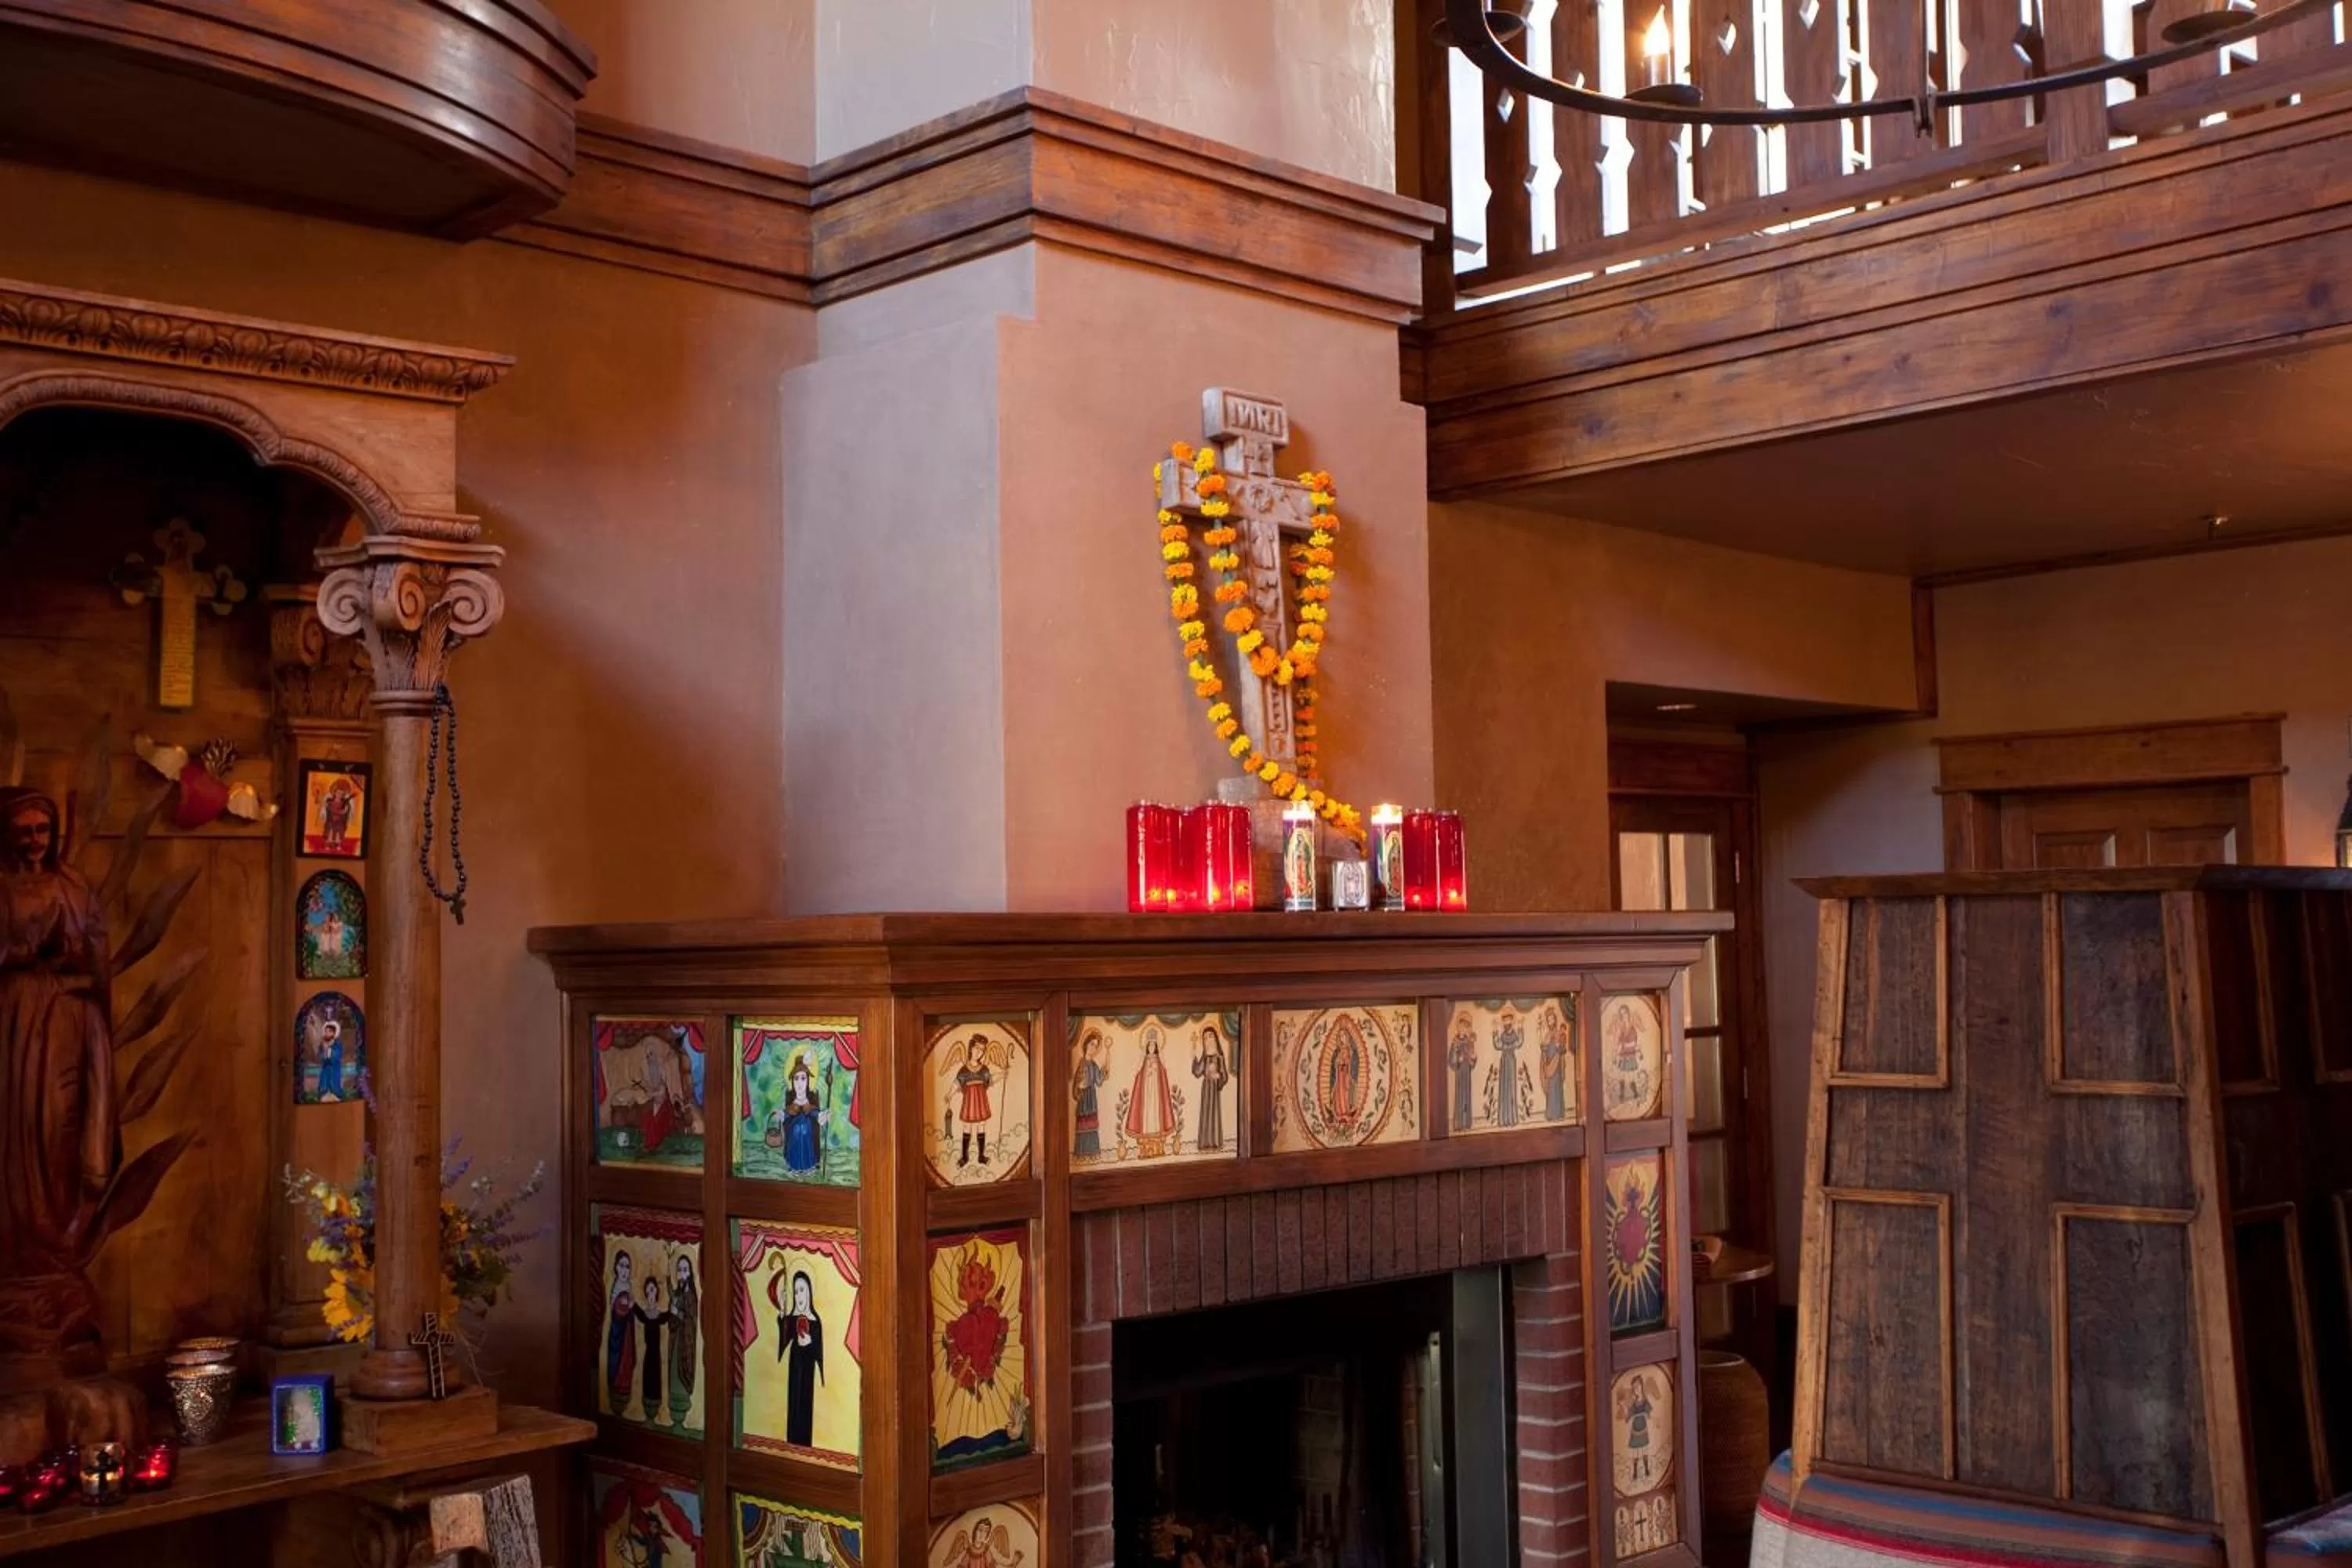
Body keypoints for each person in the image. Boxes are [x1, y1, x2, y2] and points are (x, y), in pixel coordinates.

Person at [0, 787, 118, 1370]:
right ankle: (19, 1259)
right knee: (20, 1133)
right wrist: (23, 953)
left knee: (60, 1133)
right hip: (14, 1030)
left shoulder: (74, 888)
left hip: (67, 1026)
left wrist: (72, 960)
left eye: (42, 831)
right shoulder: (2, 889)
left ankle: (55, 1253)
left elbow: (98, 962)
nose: (34, 842)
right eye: (24, 831)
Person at [775, 1268, 824, 1448]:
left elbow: (819, 1351)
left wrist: (810, 1343)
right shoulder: (793, 1318)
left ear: (809, 1292)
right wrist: (782, 1310)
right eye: (796, 1291)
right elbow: (785, 1334)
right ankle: (792, 1440)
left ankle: (804, 1442)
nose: (799, 1295)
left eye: (802, 1290)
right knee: (794, 1400)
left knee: (805, 1402)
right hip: (795, 1364)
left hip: (808, 1366)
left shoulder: (815, 1322)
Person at [1123, 1026, 1177, 1156]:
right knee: (1147, 1111)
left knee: (1156, 1110)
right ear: (1147, 1046)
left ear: (1156, 1046)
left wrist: (1156, 1069)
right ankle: (1146, 1132)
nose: (1152, 1047)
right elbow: (1138, 1073)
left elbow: (1163, 1072)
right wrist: (1148, 1071)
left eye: (1154, 1045)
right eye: (1150, 1045)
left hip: (1156, 1091)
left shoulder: (1159, 1059)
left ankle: (1157, 1132)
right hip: (1146, 1091)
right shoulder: (1144, 1059)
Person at [772, 1055, 829, 1176]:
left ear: (808, 1081)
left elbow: (814, 1113)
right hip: (794, 1139)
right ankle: (794, 1167)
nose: (799, 1083)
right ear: (792, 1081)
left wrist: (821, 1116)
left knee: (807, 1146)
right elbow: (787, 1113)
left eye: (803, 1078)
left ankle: (808, 1166)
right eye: (796, 1078)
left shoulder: (810, 1102)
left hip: (808, 1139)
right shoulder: (792, 1103)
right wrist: (781, 1115)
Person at [951, 1034, 994, 1168]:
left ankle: (981, 1156)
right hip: (969, 1102)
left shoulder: (984, 1070)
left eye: (982, 1050)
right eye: (977, 1048)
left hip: (981, 1101)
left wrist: (1002, 1075)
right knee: (967, 1127)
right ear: (971, 1048)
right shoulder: (964, 1070)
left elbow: (990, 1080)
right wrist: (949, 1094)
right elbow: (957, 1083)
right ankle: (964, 1157)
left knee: (981, 1125)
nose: (979, 1052)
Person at [666, 1255, 699, 1431]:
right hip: (675, 1344)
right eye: (679, 1270)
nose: (682, 1273)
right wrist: (673, 1313)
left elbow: (691, 1321)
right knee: (673, 1377)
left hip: (685, 1347)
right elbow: (672, 1322)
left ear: (691, 1273)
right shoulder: (678, 1294)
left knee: (681, 1378)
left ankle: (681, 1418)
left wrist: (677, 1313)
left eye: (685, 1270)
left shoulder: (691, 1296)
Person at [604, 1251, 637, 1417]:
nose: (625, 1270)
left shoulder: (628, 1287)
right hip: (618, 1338)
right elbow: (618, 1312)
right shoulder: (617, 1287)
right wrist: (627, 1307)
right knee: (617, 1367)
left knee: (626, 1367)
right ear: (616, 1268)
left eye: (628, 1266)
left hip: (627, 1338)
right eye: (622, 1265)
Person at [634, 1275, 669, 1424]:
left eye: (653, 1290)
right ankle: (647, 1408)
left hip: (656, 1355)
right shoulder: (644, 1314)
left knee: (656, 1381)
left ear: (657, 1292)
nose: (650, 1294)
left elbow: (668, 1316)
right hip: (648, 1355)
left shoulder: (660, 1314)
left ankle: (655, 1410)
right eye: (648, 1291)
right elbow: (637, 1311)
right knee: (648, 1380)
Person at [1189, 1025, 1229, 1152]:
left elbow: (1225, 1075)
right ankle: (1205, 1142)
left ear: (1215, 1039)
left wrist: (1218, 1076)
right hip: (1206, 1087)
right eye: (1205, 1038)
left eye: (1210, 1036)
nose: (1208, 1040)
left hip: (1215, 1088)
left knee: (1214, 1113)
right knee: (1206, 1112)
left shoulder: (1219, 1058)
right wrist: (1194, 1056)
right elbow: (1198, 1071)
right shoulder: (1205, 1058)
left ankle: (1215, 1142)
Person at [1071, 1032, 1108, 1163]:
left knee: (1092, 1124)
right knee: (1083, 1124)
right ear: (1086, 1044)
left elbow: (1099, 1081)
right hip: (1083, 1098)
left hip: (1091, 1097)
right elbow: (1077, 1084)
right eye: (1092, 1044)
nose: (1094, 1048)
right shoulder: (1082, 1063)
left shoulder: (1093, 1064)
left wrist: (1104, 1069)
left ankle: (1092, 1151)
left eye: (1096, 1046)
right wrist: (1080, 1085)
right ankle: (1081, 1153)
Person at [946, 1514, 1025, 1567]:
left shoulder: (986, 1550)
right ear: (975, 1531)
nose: (982, 1534)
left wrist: (1011, 1565)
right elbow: (963, 1566)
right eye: (980, 1530)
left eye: (986, 1531)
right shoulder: (969, 1550)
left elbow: (993, 1565)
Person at [1494, 1007, 1525, 1128]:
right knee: (1504, 1089)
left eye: (1509, 1020)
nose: (1507, 1023)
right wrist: (1495, 1031)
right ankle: (1503, 1119)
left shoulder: (1514, 1034)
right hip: (1504, 1062)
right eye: (1505, 1021)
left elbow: (1519, 1042)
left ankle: (1512, 1118)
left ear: (1512, 1021)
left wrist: (1521, 1027)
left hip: (1511, 1061)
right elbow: (1498, 1045)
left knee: (1511, 1088)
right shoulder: (1502, 1035)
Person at [1540, 1004, 1570, 1121]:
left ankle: (1558, 1113)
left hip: (1557, 1065)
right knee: (1551, 1089)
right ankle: (1551, 1114)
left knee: (1557, 1089)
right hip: (1549, 1066)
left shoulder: (1559, 1034)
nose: (1550, 1022)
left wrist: (1559, 1047)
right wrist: (1543, 1048)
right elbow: (1544, 1050)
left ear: (1555, 1020)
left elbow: (1563, 1049)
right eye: (1548, 1020)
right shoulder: (1547, 1035)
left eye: (1552, 1019)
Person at [1446, 1016, 1477, 1131]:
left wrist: (1473, 1057)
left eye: (1465, 1027)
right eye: (1461, 1027)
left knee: (1467, 1095)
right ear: (1458, 1028)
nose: (1463, 1029)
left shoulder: (1469, 1042)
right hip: (1459, 1071)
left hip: (1467, 1070)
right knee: (1460, 1095)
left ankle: (1467, 1123)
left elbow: (1472, 1056)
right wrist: (1457, 1059)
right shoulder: (1455, 1042)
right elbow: (1451, 1059)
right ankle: (1459, 1123)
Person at [314, 1018, 346, 1102]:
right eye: (326, 1031)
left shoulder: (337, 1044)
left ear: (334, 1033)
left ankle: (335, 1095)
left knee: (334, 1085)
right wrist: (324, 1051)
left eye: (329, 1031)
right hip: (325, 1070)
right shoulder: (322, 1044)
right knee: (324, 1085)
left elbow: (337, 1056)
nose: (327, 1033)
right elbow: (320, 1056)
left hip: (334, 1069)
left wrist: (329, 1050)